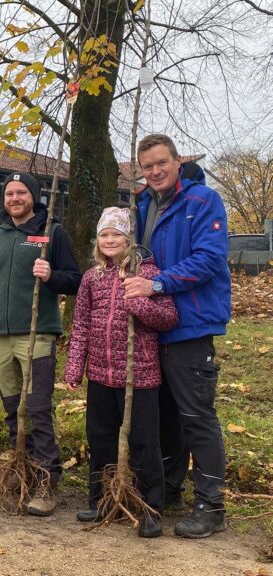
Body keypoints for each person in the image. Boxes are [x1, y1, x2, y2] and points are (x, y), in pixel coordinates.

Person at [123, 134, 231, 538]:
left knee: (195, 415)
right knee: (162, 414)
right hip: (153, 323)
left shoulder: (203, 202)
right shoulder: (140, 204)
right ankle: (169, 489)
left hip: (190, 323)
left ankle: (211, 505)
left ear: (177, 160)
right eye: (147, 166)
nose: (155, 171)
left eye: (161, 163)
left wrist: (158, 285)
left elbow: (208, 258)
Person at [65, 207, 178, 538]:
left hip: (139, 375)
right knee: (99, 438)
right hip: (100, 374)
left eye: (117, 234)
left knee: (145, 442)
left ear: (128, 239)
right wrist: (75, 367)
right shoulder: (92, 278)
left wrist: (138, 302)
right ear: (98, 242)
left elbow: (168, 317)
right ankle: (100, 498)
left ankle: (149, 507)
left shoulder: (149, 272)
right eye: (104, 235)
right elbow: (81, 325)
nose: (110, 240)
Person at [0, 171, 81, 516]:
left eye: (22, 193)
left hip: (37, 333)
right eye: (9, 193)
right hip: (0, 338)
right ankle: (20, 468)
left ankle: (46, 481)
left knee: (37, 409)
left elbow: (75, 280)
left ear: (33, 197)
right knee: (12, 410)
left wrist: (50, 276)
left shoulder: (51, 231)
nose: (15, 198)